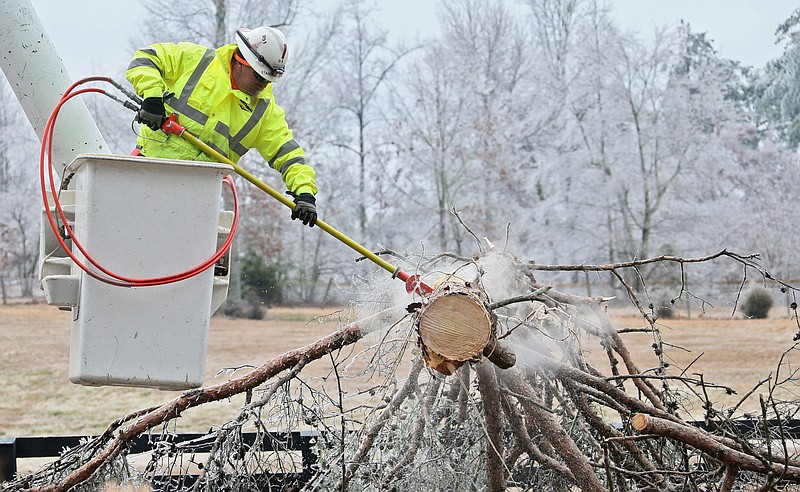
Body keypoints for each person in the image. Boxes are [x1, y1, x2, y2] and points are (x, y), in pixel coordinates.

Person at [125, 26, 318, 227]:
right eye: (260, 76)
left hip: (198, 201)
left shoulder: (264, 112)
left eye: (269, 80)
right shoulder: (197, 61)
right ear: (242, 62)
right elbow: (146, 58)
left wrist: (305, 192)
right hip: (146, 174)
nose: (263, 85)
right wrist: (152, 96)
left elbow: (290, 155)